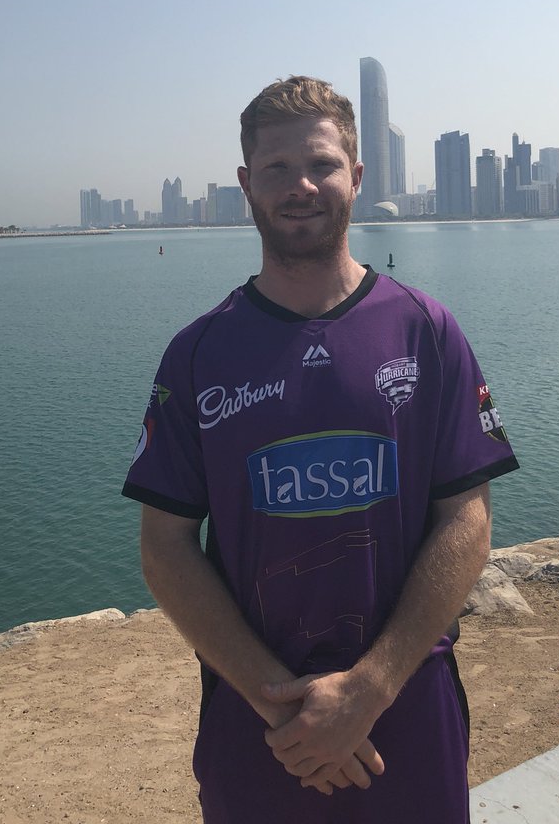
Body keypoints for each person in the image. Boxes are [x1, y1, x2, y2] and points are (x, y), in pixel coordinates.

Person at [122, 75, 519, 822]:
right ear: (246, 184)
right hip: (258, 719)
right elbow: (165, 547)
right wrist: (283, 705)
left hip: (406, 703)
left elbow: (466, 518)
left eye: (322, 165)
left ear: (357, 177)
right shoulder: (199, 355)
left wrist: (366, 690)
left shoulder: (426, 333)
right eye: (276, 169)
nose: (301, 186)